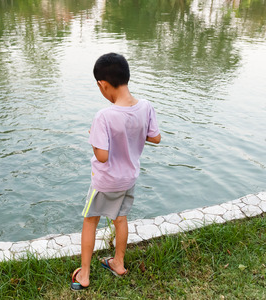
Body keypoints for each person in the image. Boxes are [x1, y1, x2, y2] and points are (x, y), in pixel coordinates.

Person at [70, 53, 161, 291]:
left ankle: (85, 274)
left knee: (90, 221)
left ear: (103, 84)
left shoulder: (104, 116)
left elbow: (102, 156)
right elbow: (156, 137)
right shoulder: (145, 107)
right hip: (129, 178)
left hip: (106, 181)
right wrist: (133, 132)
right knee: (120, 218)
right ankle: (118, 263)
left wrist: (93, 135)